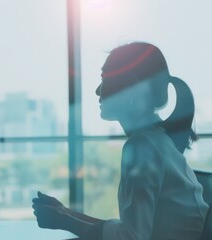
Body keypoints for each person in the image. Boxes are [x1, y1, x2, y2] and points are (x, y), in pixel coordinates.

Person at [32, 42, 209, 240]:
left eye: (104, 79)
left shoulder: (142, 147)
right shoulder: (156, 140)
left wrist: (64, 221)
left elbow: (131, 237)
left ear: (132, 87)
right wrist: (66, 213)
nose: (98, 91)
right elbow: (129, 229)